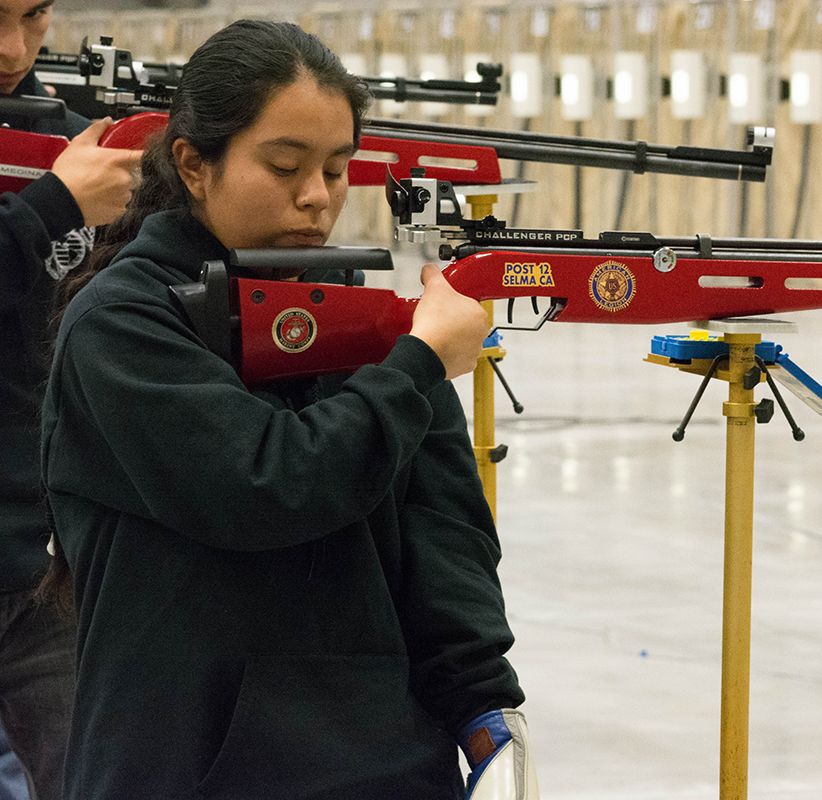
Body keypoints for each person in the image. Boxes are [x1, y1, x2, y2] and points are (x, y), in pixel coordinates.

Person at [39, 18, 536, 799]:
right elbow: (265, 483)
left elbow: (446, 532)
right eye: (284, 166)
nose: (317, 196)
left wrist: (484, 705)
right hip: (185, 770)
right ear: (194, 165)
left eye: (337, 170)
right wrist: (417, 366)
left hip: (385, 766)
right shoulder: (121, 321)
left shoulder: (364, 321)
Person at [0, 1, 141, 798]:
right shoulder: (62, 184)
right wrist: (51, 208)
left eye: (34, 15)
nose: (12, 49)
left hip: (47, 563)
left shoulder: (69, 143)